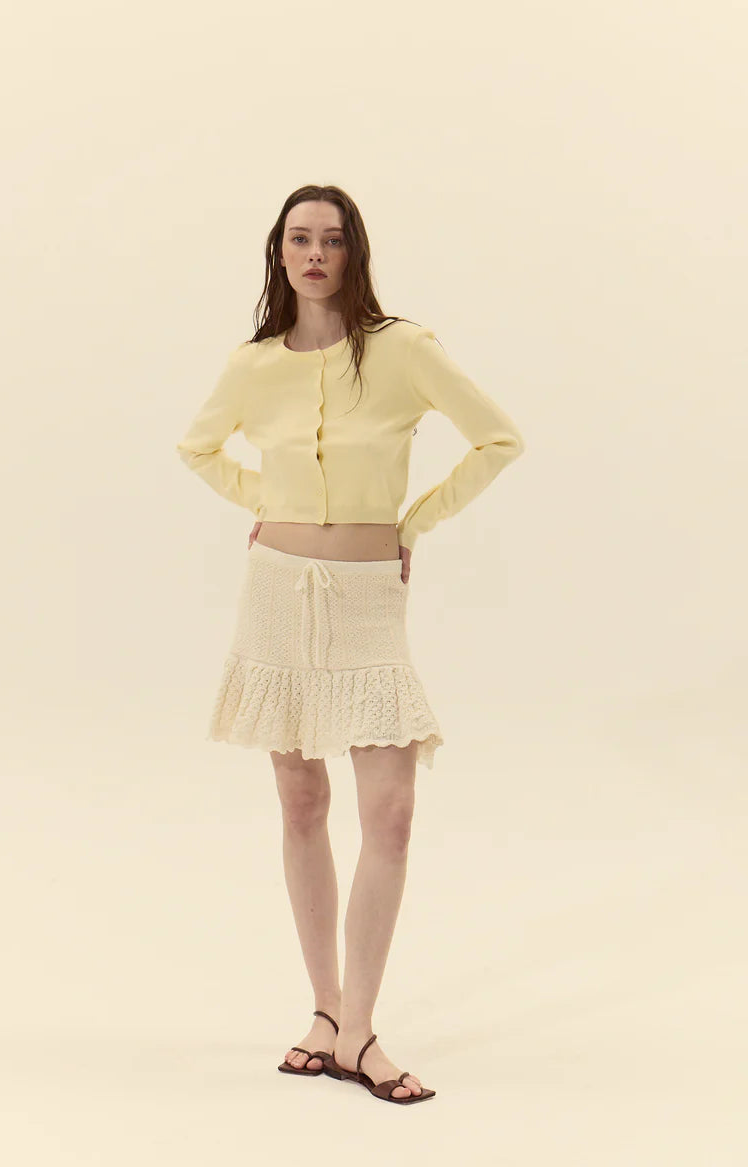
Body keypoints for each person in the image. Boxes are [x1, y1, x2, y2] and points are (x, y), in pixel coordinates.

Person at [176, 184, 525, 1105]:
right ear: (278, 253)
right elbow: (198, 448)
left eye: (331, 239)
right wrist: (267, 500)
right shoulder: (253, 364)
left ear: (354, 251)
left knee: (392, 812)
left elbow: (499, 438)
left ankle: (362, 1028)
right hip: (276, 595)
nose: (314, 254)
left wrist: (415, 521)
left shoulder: (405, 349)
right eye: (299, 239)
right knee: (300, 801)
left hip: (370, 598)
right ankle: (326, 1014)